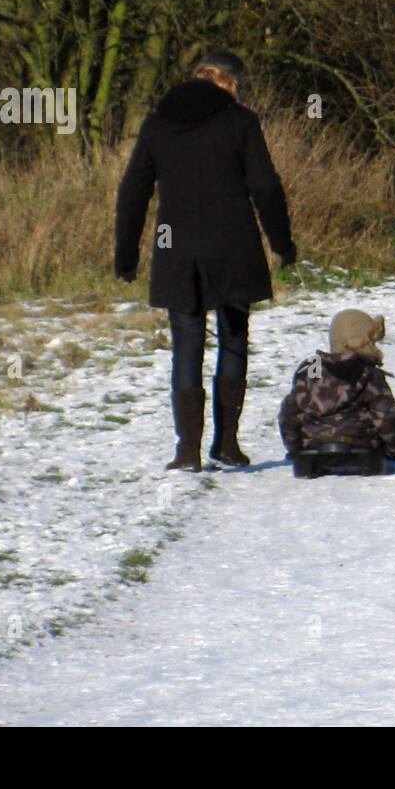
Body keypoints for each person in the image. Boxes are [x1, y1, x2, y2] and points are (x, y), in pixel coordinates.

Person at [114, 49, 296, 472]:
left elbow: (133, 192)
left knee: (186, 344)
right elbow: (266, 187)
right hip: (233, 245)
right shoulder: (240, 122)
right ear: (231, 83)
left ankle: (187, 451)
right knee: (233, 339)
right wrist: (282, 244)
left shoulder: (158, 124)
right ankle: (227, 444)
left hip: (175, 248)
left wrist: (126, 257)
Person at [278, 309, 395, 461]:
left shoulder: (311, 371)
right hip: (363, 445)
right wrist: (392, 449)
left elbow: (290, 413)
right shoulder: (368, 373)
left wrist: (295, 449)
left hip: (313, 444)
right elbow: (386, 417)